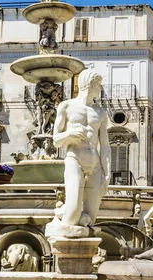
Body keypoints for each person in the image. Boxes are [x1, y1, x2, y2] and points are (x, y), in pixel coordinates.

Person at [52, 69, 110, 231]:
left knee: (90, 219)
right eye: (98, 84)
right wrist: (69, 134)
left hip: (95, 165)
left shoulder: (100, 112)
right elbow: (56, 140)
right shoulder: (66, 107)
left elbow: (105, 145)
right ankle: (62, 212)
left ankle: (83, 253)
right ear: (88, 84)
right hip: (75, 160)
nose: (100, 88)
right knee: (73, 214)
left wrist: (107, 173)